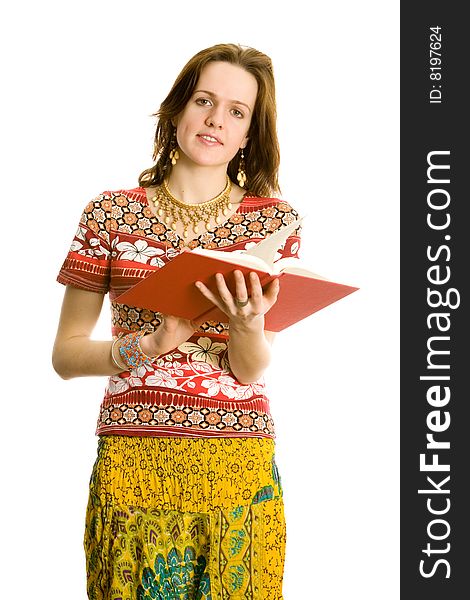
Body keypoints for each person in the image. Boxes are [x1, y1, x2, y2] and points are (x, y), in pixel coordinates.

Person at [53, 43, 301, 599]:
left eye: (237, 111)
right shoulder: (109, 213)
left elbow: (252, 367)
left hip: (238, 461)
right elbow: (65, 355)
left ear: (248, 135)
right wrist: (150, 342)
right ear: (176, 111)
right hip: (132, 461)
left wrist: (246, 328)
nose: (216, 118)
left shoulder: (273, 223)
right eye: (203, 100)